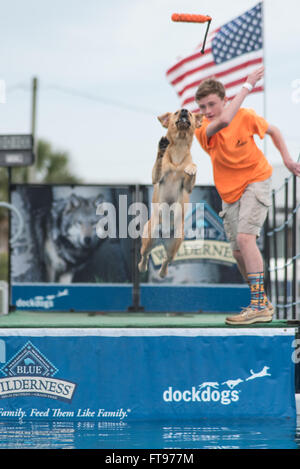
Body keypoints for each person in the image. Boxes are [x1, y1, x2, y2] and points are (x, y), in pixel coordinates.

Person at [194, 66, 300, 325]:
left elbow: (273, 131)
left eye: (212, 104)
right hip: (229, 192)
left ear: (224, 99)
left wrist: (286, 159)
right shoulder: (203, 129)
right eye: (202, 107)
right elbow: (223, 122)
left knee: (245, 238)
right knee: (238, 251)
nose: (207, 111)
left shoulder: (246, 116)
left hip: (256, 179)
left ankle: (257, 305)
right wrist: (247, 85)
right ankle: (261, 301)